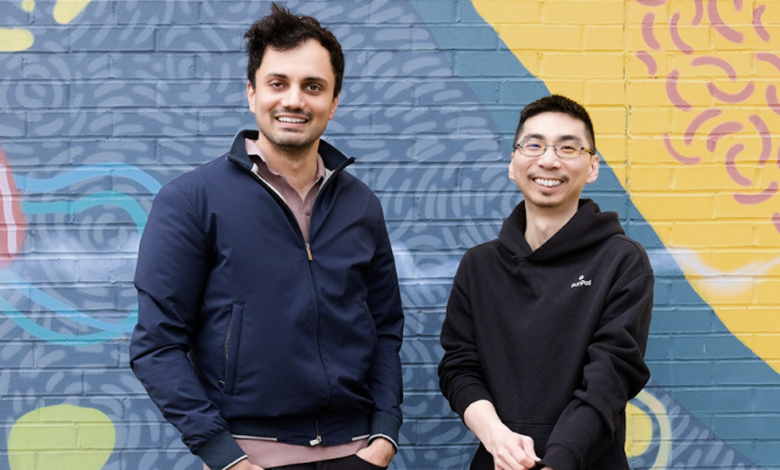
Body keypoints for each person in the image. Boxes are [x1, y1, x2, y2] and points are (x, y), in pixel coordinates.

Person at [129, 4, 404, 470]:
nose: (294, 100)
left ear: (334, 102)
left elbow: (385, 329)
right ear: (252, 93)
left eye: (313, 87)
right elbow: (157, 346)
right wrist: (225, 456)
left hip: (357, 453)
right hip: (250, 456)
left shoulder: (361, 205)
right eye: (278, 83)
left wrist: (383, 438)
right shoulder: (192, 199)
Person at [438, 95, 653, 470]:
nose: (549, 159)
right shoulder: (479, 265)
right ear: (513, 163)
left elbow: (610, 376)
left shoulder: (621, 261)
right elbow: (459, 368)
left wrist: (561, 459)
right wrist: (497, 438)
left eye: (568, 147)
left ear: (592, 166)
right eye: (533, 145)